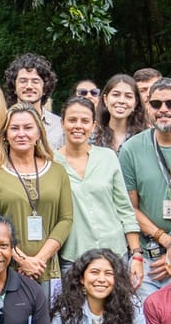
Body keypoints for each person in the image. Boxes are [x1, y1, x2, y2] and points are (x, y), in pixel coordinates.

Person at [0, 105, 74, 285]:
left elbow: (65, 219)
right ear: (5, 135)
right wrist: (22, 261)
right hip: (6, 270)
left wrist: (39, 260)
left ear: (39, 134)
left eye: (28, 128)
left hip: (47, 269)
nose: (21, 134)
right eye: (14, 128)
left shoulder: (57, 171)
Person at [56, 95, 141, 281]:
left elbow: (124, 209)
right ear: (62, 123)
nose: (78, 126)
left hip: (114, 253)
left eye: (85, 121)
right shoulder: (51, 162)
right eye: (72, 120)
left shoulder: (107, 157)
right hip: (73, 256)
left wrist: (136, 254)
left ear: (93, 125)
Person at [120, 75, 171, 300]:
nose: (163, 110)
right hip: (149, 256)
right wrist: (164, 239)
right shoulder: (131, 149)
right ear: (148, 107)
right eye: (156, 104)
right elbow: (129, 207)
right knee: (147, 319)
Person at [5, 51, 66, 150]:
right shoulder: (2, 122)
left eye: (35, 81)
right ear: (14, 86)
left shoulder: (60, 127)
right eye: (23, 81)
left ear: (45, 88)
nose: (29, 86)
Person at [99, 73, 142, 149]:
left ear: (136, 103)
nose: (121, 101)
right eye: (116, 95)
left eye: (128, 96)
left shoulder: (144, 139)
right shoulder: (91, 137)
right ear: (105, 99)